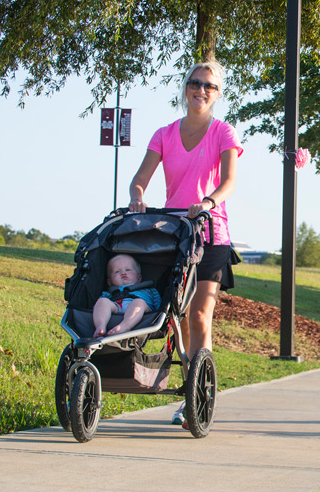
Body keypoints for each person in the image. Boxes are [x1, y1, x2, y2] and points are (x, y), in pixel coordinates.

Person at [128, 61, 243, 427]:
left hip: (210, 233)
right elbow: (140, 179)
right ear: (185, 87)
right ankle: (189, 381)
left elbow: (228, 182)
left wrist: (208, 201)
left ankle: (196, 396)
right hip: (173, 234)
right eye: (195, 83)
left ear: (217, 92)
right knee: (175, 319)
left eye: (209, 86)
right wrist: (137, 197)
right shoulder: (164, 133)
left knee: (198, 315)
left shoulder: (223, 132)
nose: (201, 90)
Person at [93, 254, 161, 338]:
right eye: (117, 271)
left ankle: (125, 326)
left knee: (138, 302)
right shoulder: (109, 292)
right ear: (109, 282)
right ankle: (100, 326)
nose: (123, 273)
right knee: (102, 301)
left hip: (143, 310)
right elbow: (99, 307)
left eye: (128, 270)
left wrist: (160, 313)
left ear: (139, 278)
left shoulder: (149, 289)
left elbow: (159, 304)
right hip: (117, 307)